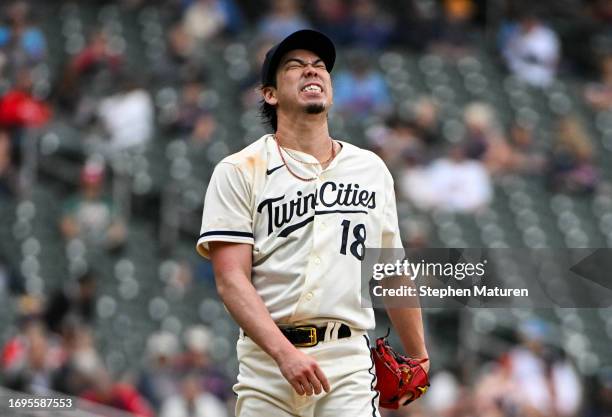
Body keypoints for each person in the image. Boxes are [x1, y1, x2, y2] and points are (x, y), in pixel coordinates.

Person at [196, 29, 429, 416]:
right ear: (270, 94)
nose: (312, 72)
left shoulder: (370, 169)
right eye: (296, 67)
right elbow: (231, 279)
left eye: (320, 67)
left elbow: (391, 270)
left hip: (347, 362)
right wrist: (285, 355)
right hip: (268, 367)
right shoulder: (239, 170)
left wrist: (419, 355)